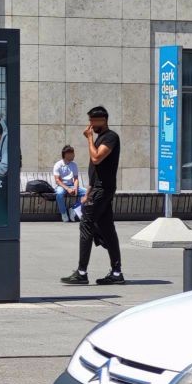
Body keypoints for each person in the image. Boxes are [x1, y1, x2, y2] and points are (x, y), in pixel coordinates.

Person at [61, 106, 124, 286]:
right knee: (108, 230)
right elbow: (95, 169)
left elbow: (96, 158)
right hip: (97, 189)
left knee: (86, 224)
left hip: (103, 189)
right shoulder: (98, 139)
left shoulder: (110, 137)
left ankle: (81, 272)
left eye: (92, 121)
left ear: (102, 120)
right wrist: (87, 192)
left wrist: (89, 139)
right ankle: (117, 272)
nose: (90, 125)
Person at [53, 145, 86, 222]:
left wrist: (75, 188)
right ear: (66, 154)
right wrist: (68, 189)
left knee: (88, 193)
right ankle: (63, 213)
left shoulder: (74, 165)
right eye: (72, 153)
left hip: (72, 185)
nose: (74, 155)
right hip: (62, 186)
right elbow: (57, 180)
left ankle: (74, 209)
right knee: (59, 193)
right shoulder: (58, 165)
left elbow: (76, 178)